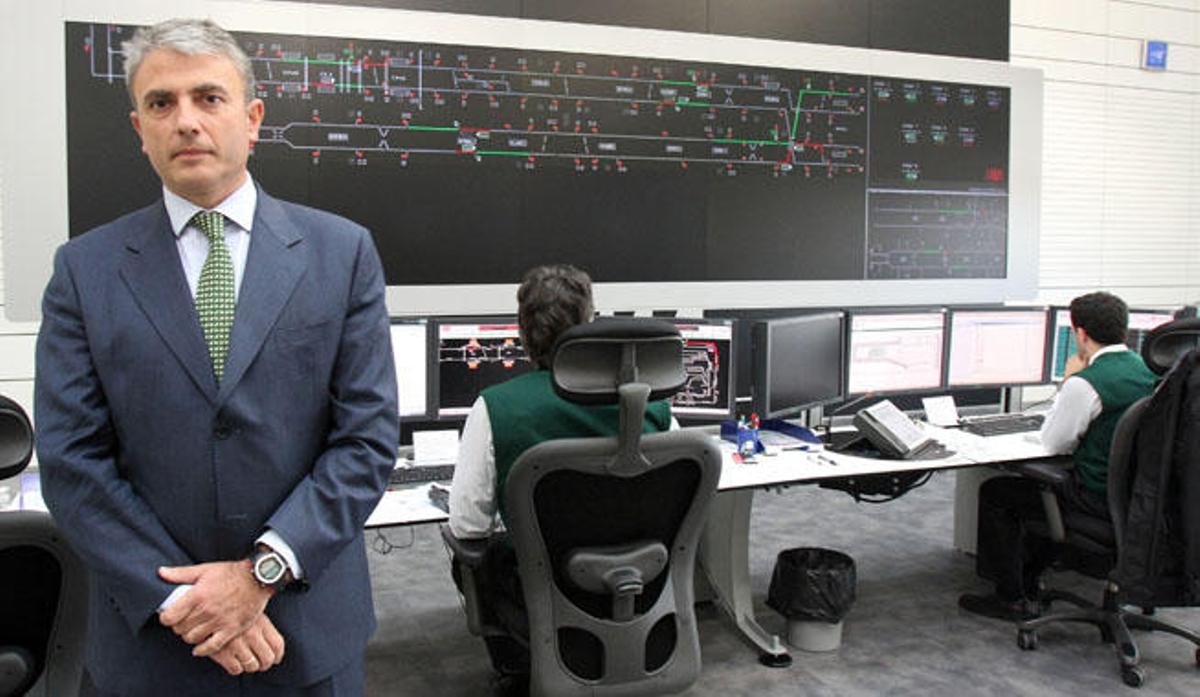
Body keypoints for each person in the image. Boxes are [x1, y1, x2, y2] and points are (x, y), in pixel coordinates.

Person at [34, 18, 398, 695]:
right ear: (139, 128)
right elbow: (72, 461)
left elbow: (366, 440)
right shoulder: (85, 271)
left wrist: (260, 572)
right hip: (152, 641)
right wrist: (188, 603)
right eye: (161, 103)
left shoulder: (341, 254)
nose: (186, 121)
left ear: (253, 118)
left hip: (306, 633)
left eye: (209, 97)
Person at [447, 264, 674, 694]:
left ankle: (522, 664)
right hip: (641, 583)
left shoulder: (496, 407)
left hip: (541, 597)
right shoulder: (656, 406)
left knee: (477, 554)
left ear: (522, 331)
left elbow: (467, 527)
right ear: (590, 324)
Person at [958, 292, 1156, 621]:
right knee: (1033, 491)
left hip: (1095, 497)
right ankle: (1032, 577)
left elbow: (1054, 443)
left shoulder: (1086, 383)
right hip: (1134, 499)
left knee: (998, 492)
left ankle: (1010, 598)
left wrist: (1069, 383)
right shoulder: (1145, 370)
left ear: (1080, 333)